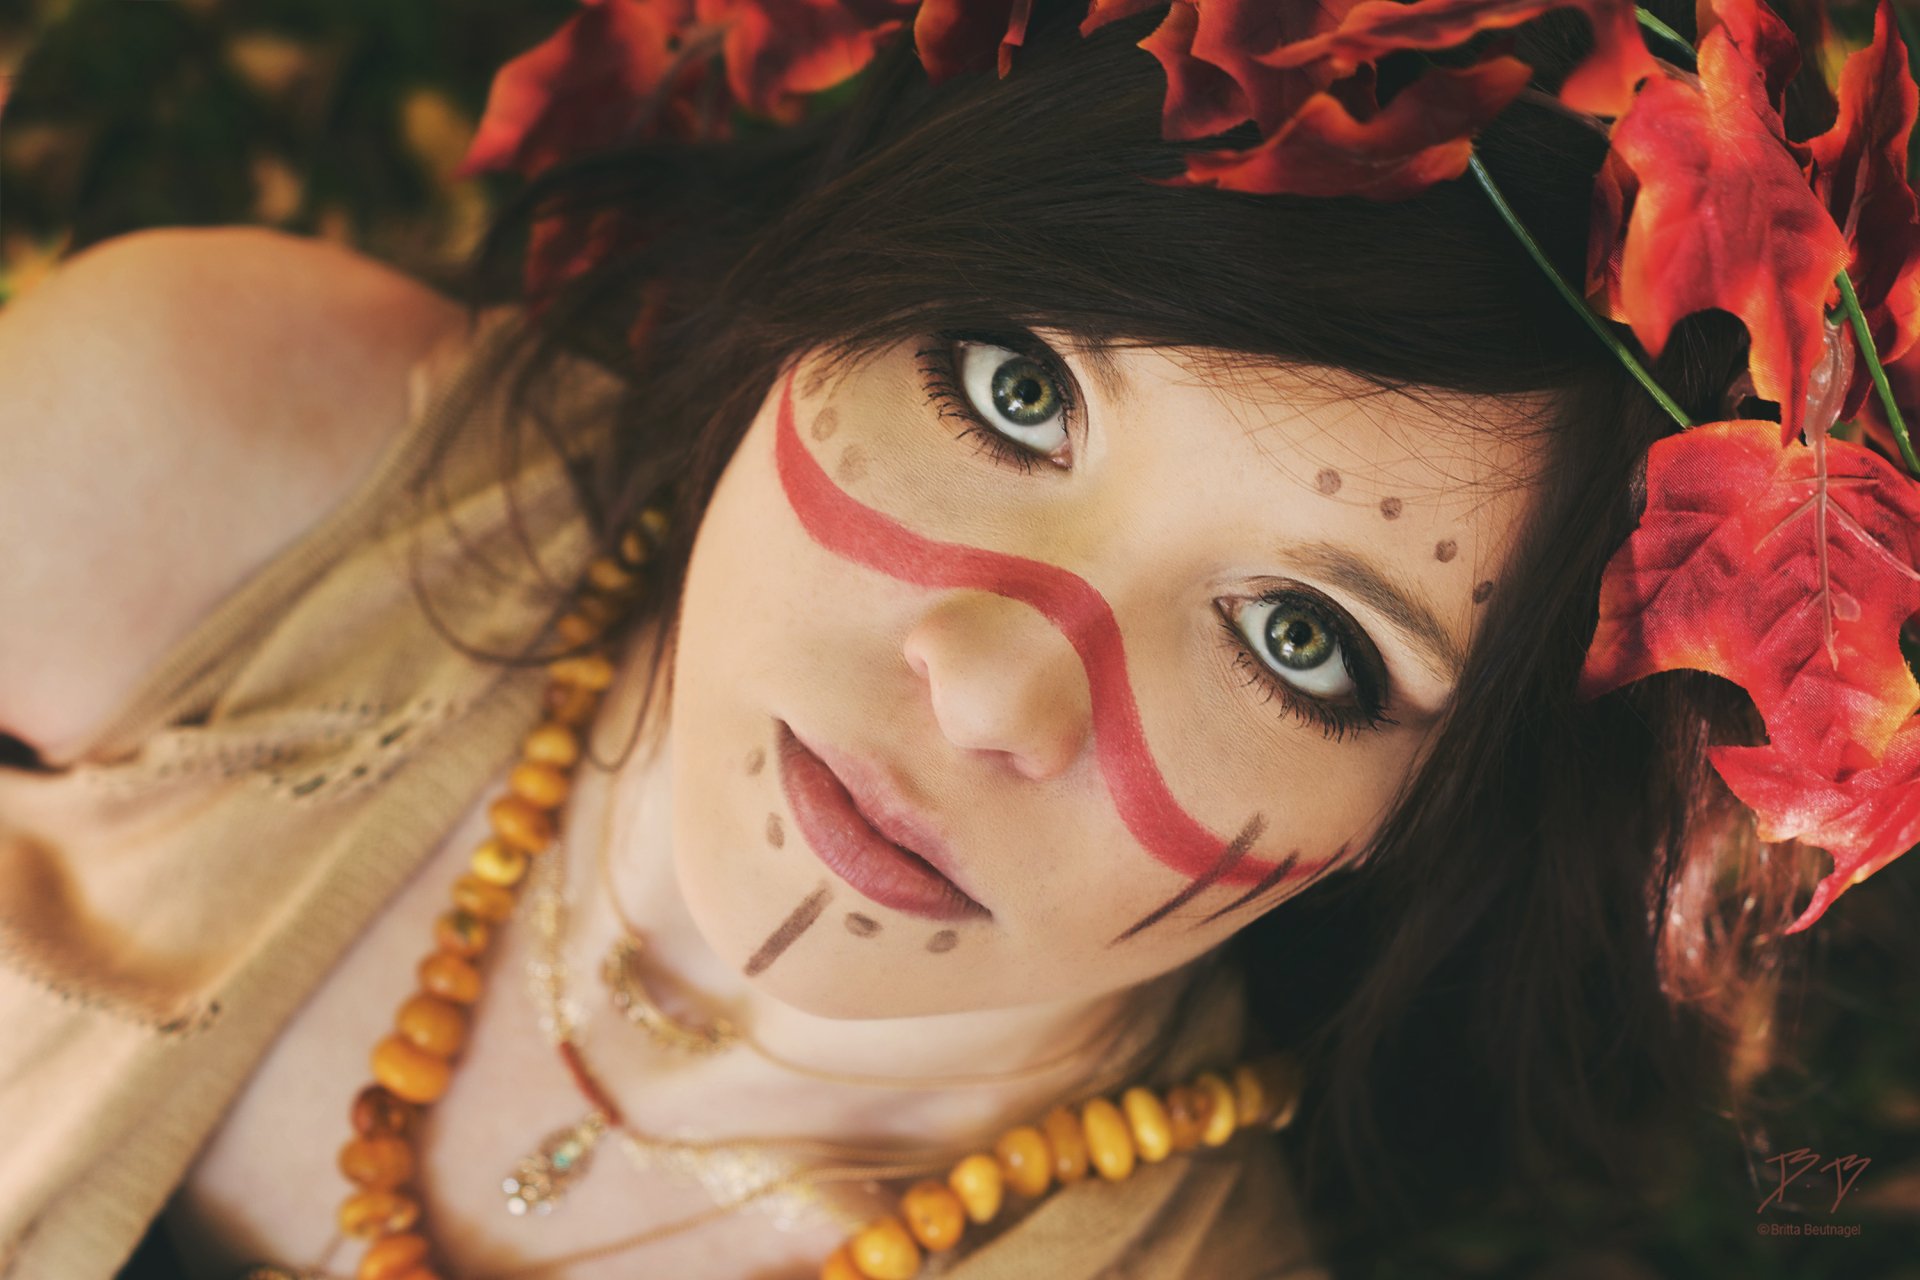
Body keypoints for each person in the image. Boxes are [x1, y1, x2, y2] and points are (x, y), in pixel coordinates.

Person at [0, 0, 1872, 1277]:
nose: (991, 680)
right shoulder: (217, 462)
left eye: (1304, 639)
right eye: (1013, 383)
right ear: (857, 264)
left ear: (1438, 815)